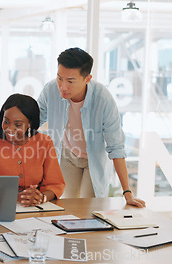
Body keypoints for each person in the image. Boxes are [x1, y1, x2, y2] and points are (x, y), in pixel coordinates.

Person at [37, 47, 145, 207]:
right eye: (60, 78)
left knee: (89, 209)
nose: (63, 87)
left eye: (70, 81)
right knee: (63, 206)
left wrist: (127, 193)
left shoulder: (104, 100)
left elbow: (116, 148)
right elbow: (33, 121)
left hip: (93, 159)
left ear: (87, 79)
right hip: (67, 154)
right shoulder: (50, 90)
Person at [0, 94, 65, 206]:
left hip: (36, 208)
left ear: (30, 123)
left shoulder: (45, 142)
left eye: (18, 124)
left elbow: (55, 184)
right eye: (6, 122)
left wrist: (41, 197)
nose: (9, 128)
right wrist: (15, 197)